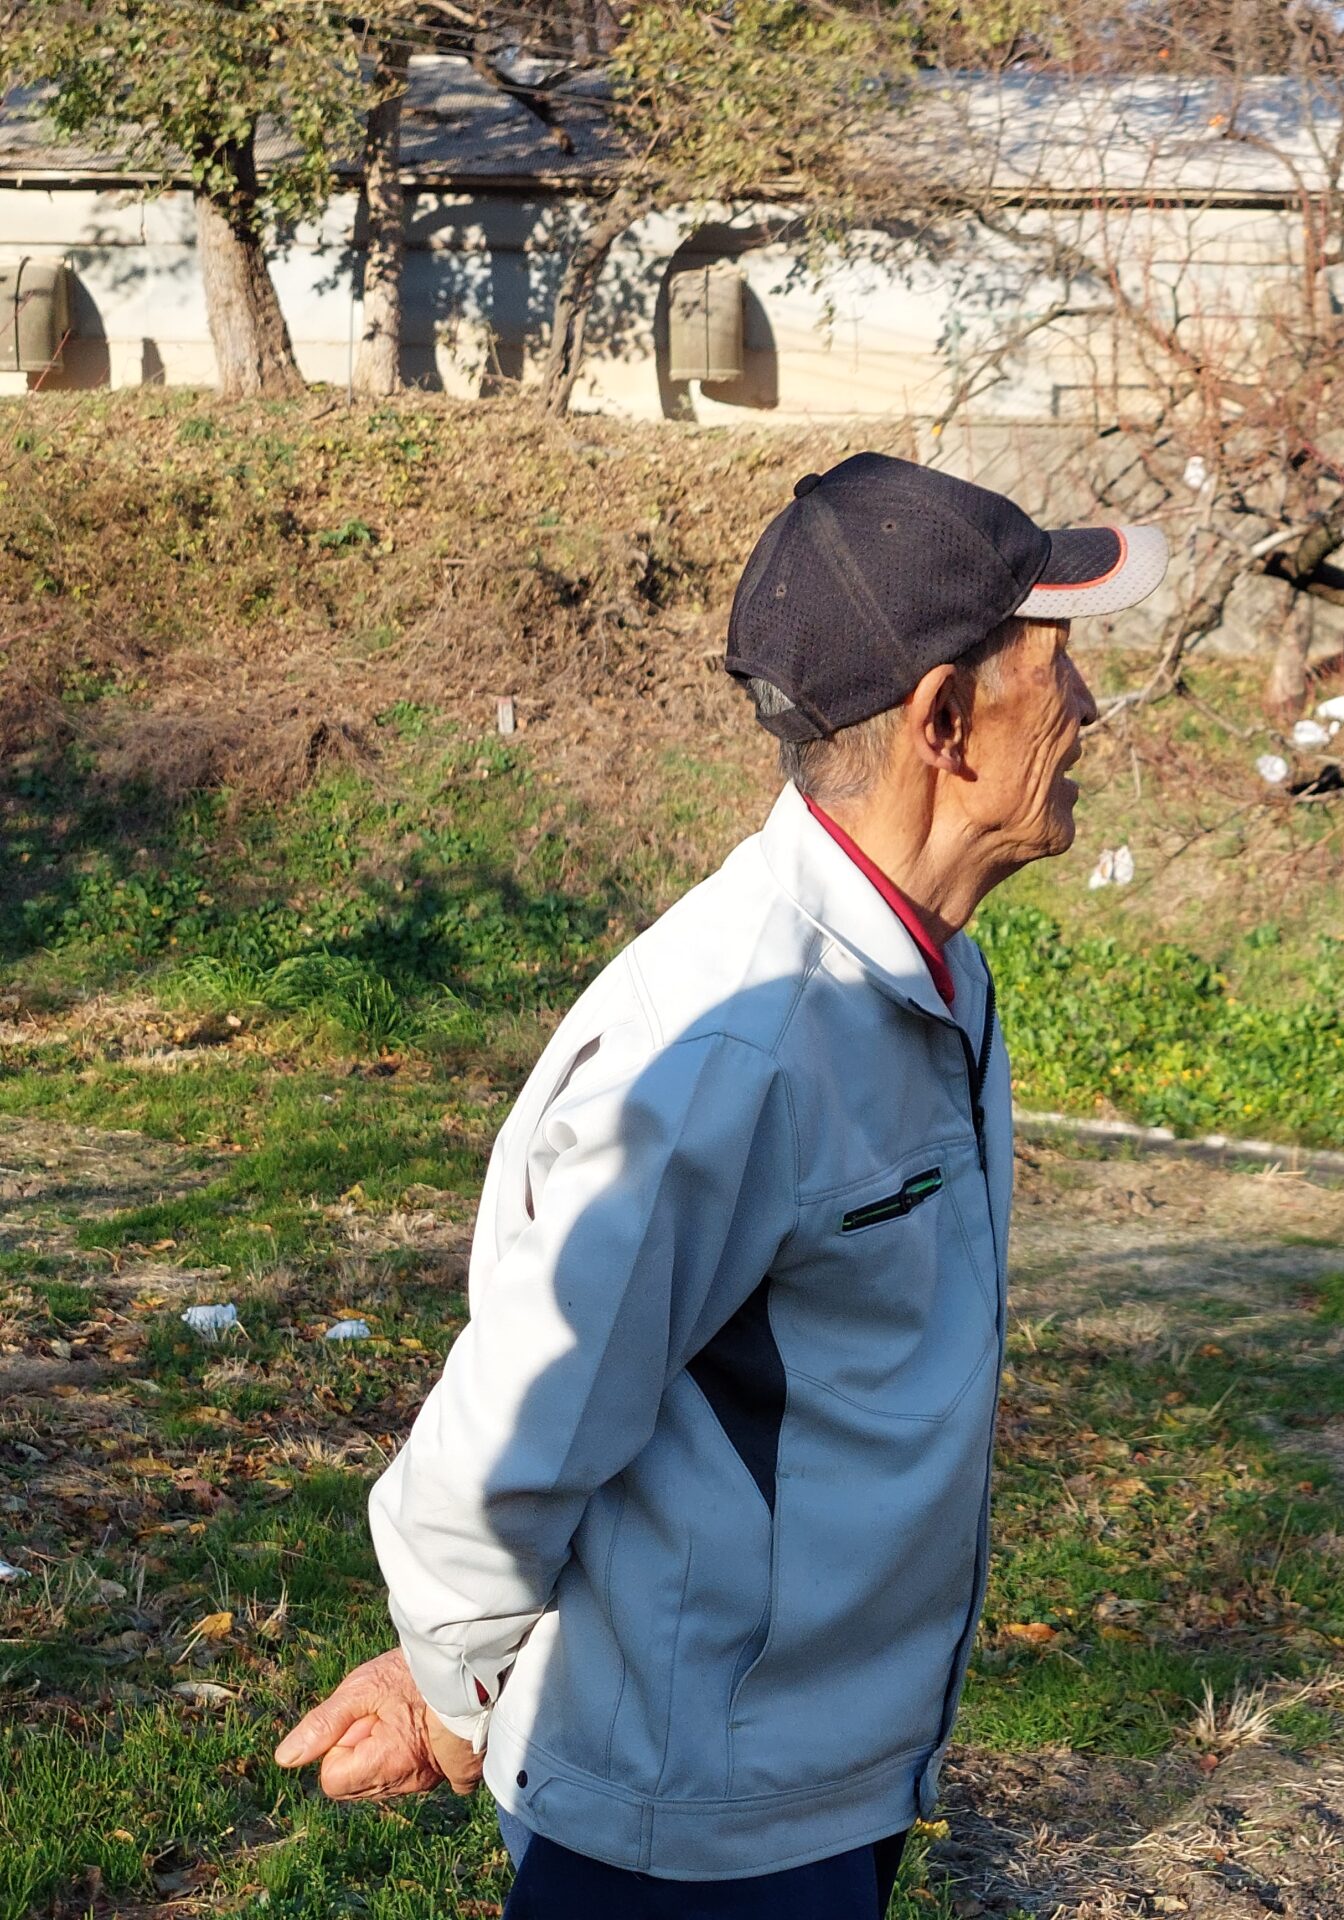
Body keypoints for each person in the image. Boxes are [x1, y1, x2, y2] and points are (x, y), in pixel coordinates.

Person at [274, 454, 1168, 1917]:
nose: (1087, 712)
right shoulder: (734, 1051)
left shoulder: (933, 971)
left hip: (834, 1781)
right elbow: (507, 1435)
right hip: (696, 1834)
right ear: (945, 723)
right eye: (1058, 669)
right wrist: (447, 1671)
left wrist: (445, 1666)